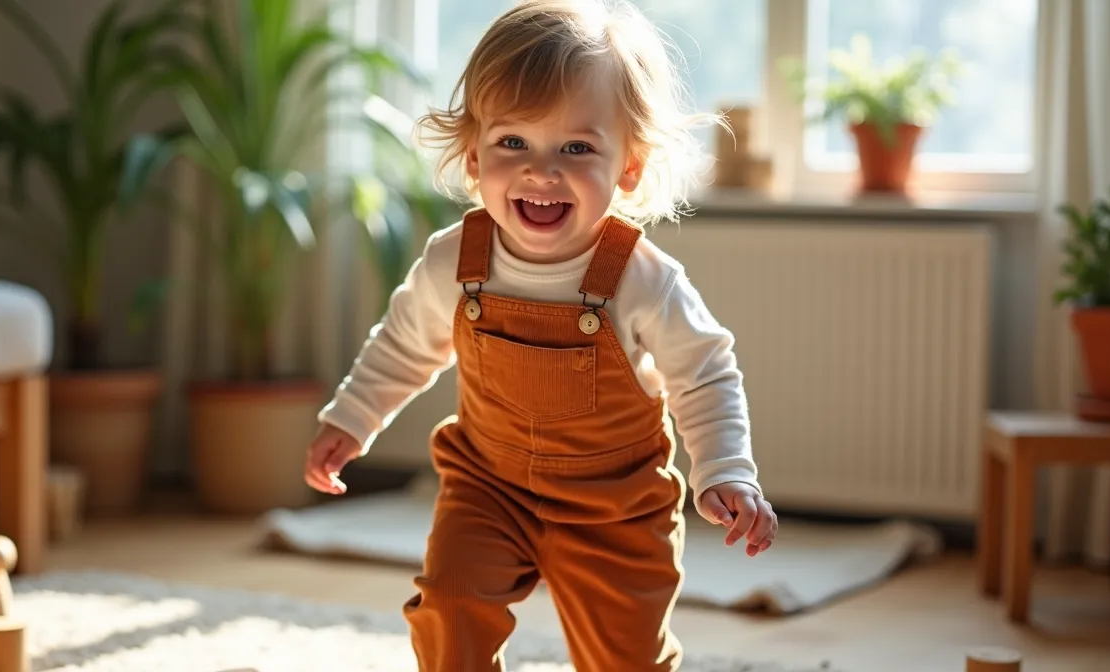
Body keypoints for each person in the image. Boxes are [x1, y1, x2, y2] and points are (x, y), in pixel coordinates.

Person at [305, 1, 777, 669]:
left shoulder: (642, 277)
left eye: (577, 148)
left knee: (626, 658)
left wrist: (725, 471)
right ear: (474, 157)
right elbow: (405, 343)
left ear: (630, 167)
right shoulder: (454, 260)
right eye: (513, 143)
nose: (541, 170)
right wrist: (352, 418)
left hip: (615, 505)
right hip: (489, 487)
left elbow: (704, 375)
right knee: (448, 607)